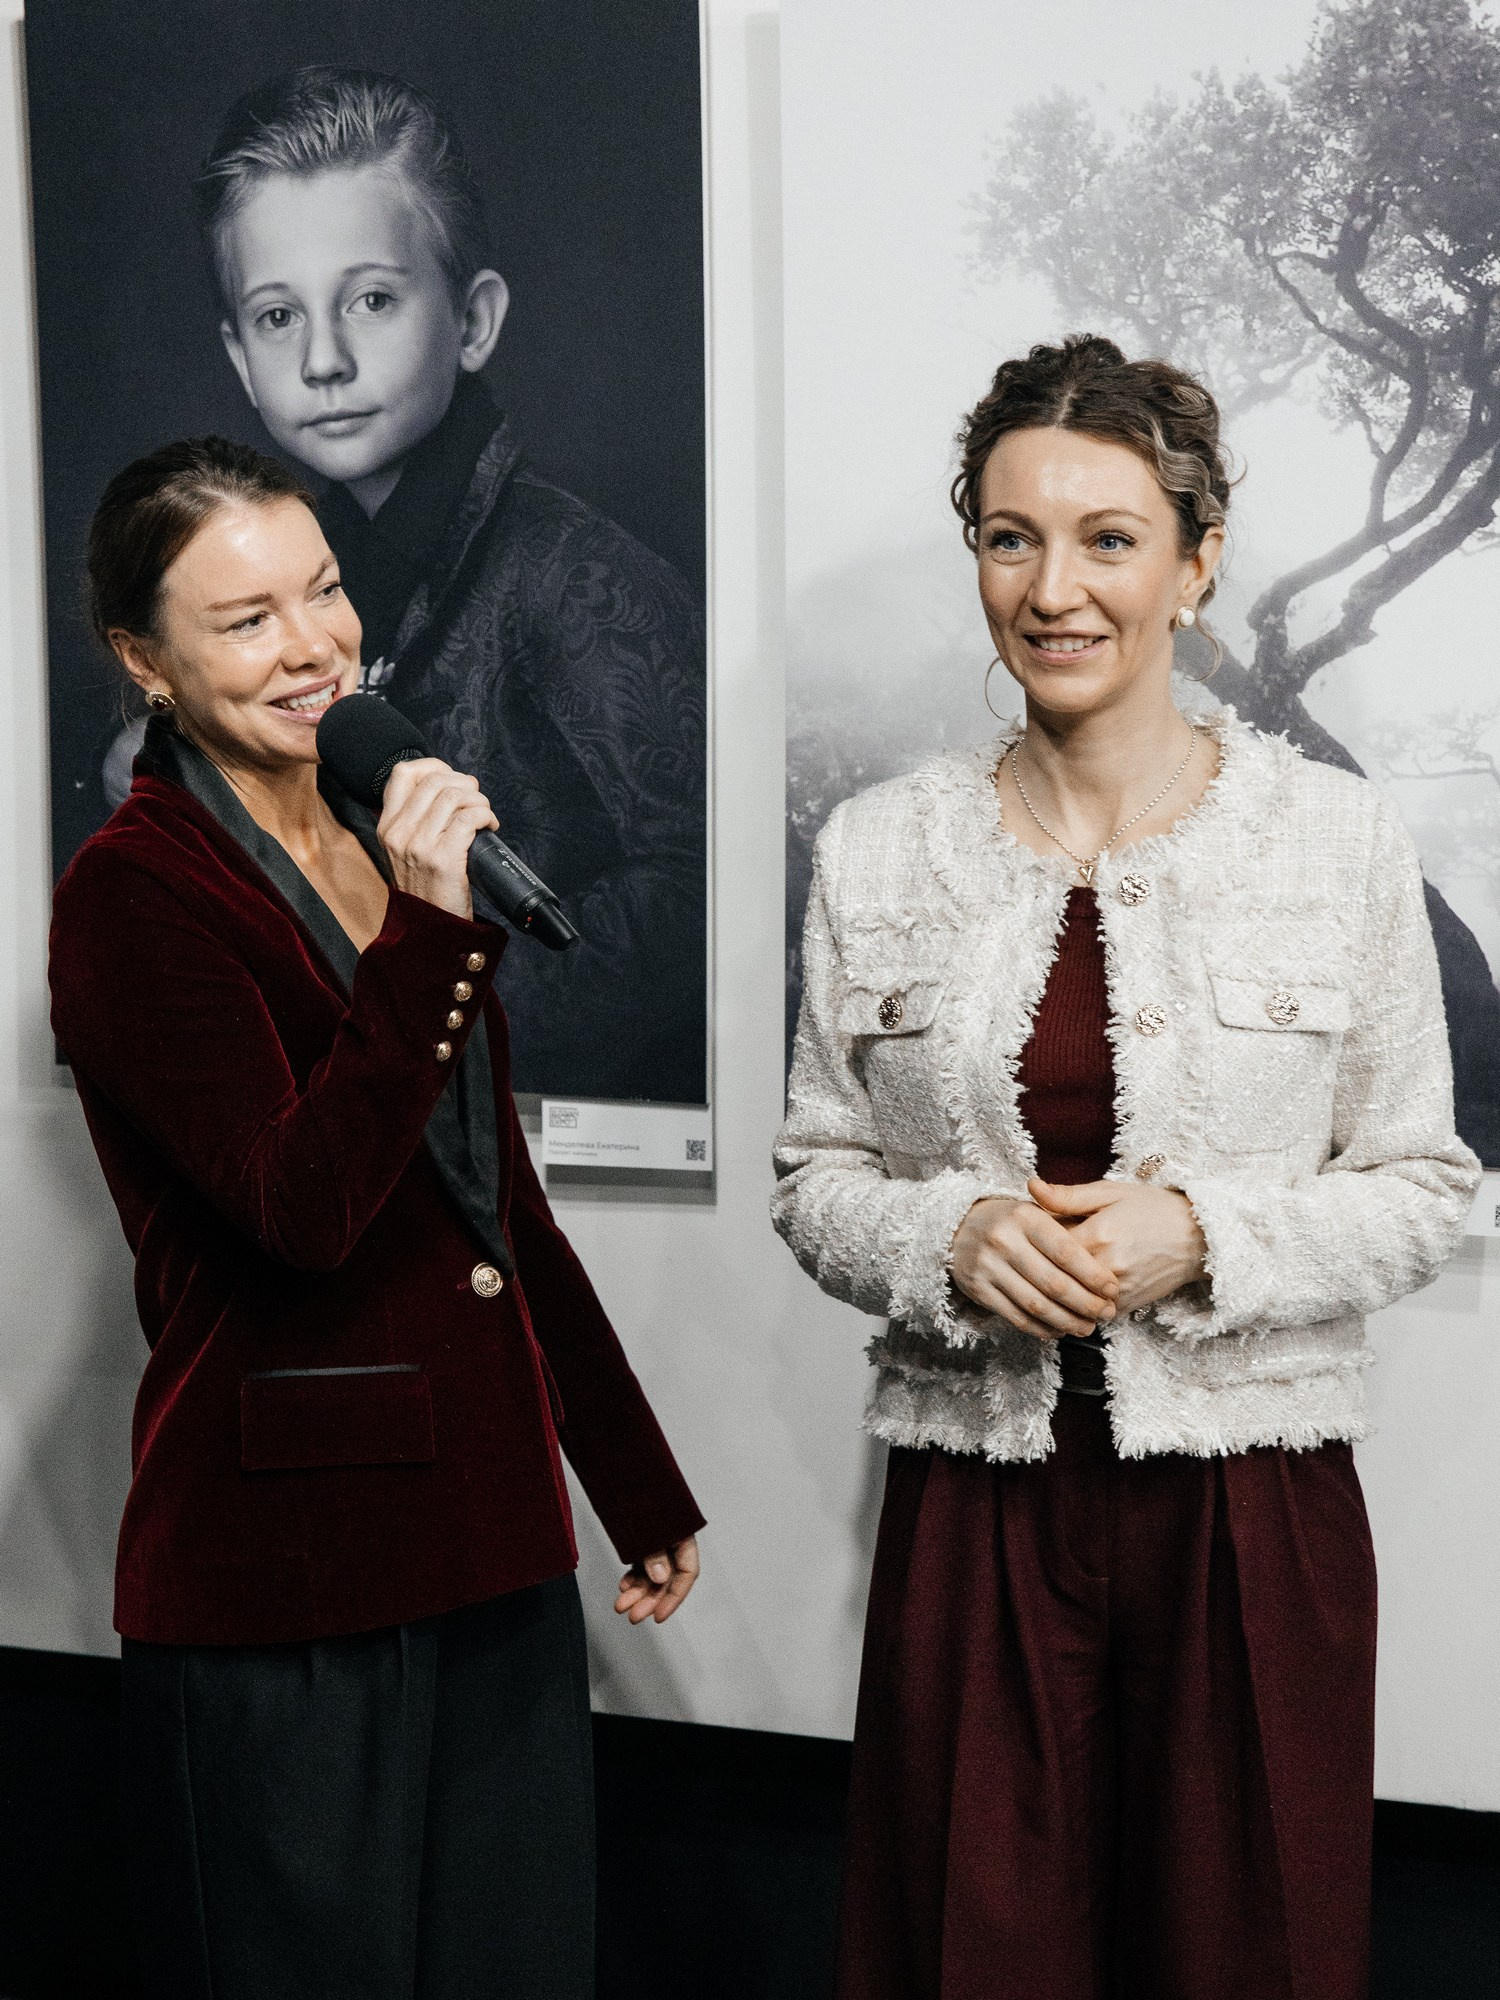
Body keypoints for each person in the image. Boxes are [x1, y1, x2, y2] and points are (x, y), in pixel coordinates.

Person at [772, 334, 1481, 2000]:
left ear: (1196, 562)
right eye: (1010, 538)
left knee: (1248, 1952)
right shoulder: (878, 846)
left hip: (1254, 1505)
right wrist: (949, 1236)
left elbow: (1421, 1181)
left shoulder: (1338, 840)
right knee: (969, 1951)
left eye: (1108, 540)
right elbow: (815, 1173)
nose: (1054, 589)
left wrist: (1206, 1236)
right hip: (974, 1497)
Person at [51, 436, 704, 2000]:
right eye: (247, 619)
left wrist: (630, 1473)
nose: (314, 645)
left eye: (325, 589)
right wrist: (425, 931)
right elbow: (303, 1211)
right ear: (144, 661)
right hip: (285, 1578)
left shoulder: (373, 834)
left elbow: (495, 1199)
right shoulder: (132, 894)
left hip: (491, 1542)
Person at [183, 61, 705, 1105]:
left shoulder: (583, 579)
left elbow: (699, 901)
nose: (324, 359)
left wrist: (417, 1021)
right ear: (240, 357)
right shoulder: (291, 578)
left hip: (542, 1137)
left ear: (472, 321)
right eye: (279, 316)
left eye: (372, 299)